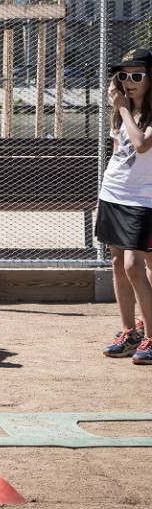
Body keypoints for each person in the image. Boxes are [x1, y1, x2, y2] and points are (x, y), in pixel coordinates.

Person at [97, 48, 152, 363]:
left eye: (137, 76)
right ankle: (129, 333)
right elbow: (119, 154)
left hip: (142, 199)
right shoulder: (121, 112)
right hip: (113, 195)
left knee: (134, 266)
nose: (129, 82)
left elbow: (142, 145)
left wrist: (124, 109)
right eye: (123, 76)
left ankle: (151, 338)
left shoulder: (139, 112)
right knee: (118, 264)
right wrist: (101, 197)